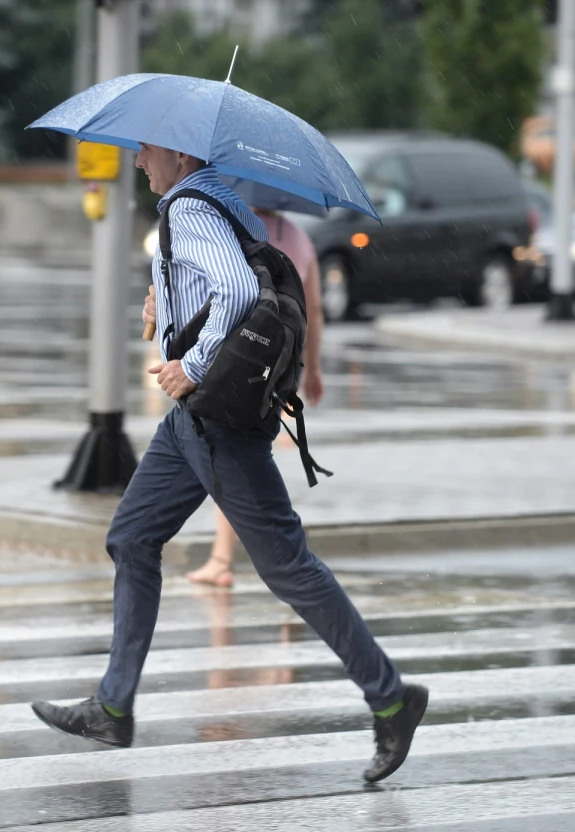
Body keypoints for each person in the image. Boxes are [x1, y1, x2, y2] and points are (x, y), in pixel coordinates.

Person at [30, 141, 428, 784]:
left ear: (180, 155)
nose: (137, 161)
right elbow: (222, 282)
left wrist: (195, 360)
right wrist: (165, 304)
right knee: (132, 536)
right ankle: (112, 705)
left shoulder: (190, 208)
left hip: (214, 418)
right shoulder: (224, 203)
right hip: (192, 423)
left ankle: (390, 697)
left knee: (289, 567)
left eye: (147, 151)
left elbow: (240, 289)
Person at [185, 207, 324, 588]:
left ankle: (233, 558)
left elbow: (220, 296)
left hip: (240, 361)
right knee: (242, 457)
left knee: (229, 458)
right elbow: (313, 309)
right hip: (279, 362)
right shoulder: (296, 236)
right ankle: (276, 544)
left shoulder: (232, 230)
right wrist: (311, 368)